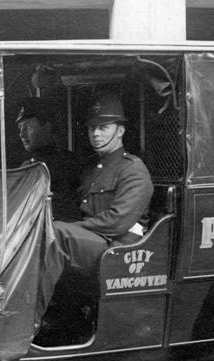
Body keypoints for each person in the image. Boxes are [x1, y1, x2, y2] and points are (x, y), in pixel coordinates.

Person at [53, 88, 153, 273]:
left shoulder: (133, 169)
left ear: (120, 130)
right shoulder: (92, 169)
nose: (96, 134)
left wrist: (72, 227)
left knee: (57, 232)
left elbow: (117, 222)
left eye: (103, 127)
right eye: (92, 128)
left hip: (117, 247)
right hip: (95, 239)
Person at [15, 97, 81, 220]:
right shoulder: (26, 166)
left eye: (29, 127)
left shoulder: (66, 163)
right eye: (20, 128)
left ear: (48, 126)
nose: (22, 134)